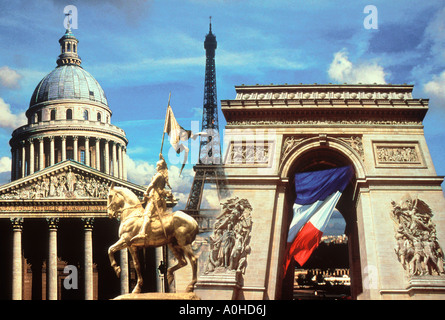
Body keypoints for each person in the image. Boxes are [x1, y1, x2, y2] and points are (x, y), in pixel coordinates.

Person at [131, 153, 172, 242]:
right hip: (160, 198)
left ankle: (142, 232)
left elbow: (152, 184)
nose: (156, 167)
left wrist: (146, 192)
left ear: (160, 167)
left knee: (147, 214)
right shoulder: (163, 176)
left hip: (154, 198)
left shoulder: (158, 175)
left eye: (157, 166)